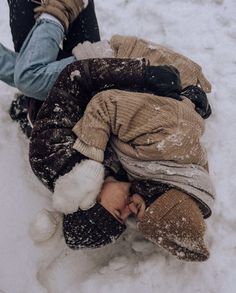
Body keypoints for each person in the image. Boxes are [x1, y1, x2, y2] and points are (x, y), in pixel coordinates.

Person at [0, 1, 214, 261]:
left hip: (88, 77)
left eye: (121, 213)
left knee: (26, 70)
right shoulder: (149, 164)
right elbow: (103, 101)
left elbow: (64, 106)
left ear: (90, 200)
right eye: (130, 212)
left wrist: (26, 111)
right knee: (29, 76)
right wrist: (170, 90)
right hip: (107, 69)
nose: (129, 209)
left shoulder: (54, 161)